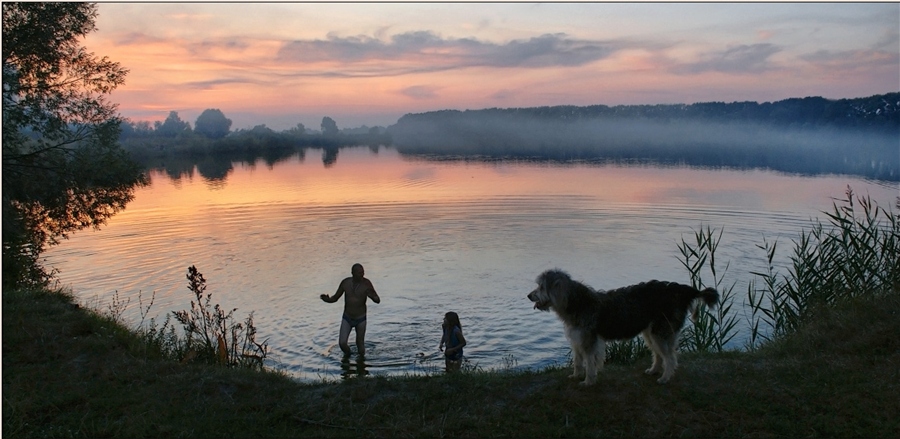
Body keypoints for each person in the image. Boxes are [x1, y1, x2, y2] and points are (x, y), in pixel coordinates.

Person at [320, 263, 380, 357]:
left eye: (363, 272)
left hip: (361, 319)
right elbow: (335, 298)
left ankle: (361, 364)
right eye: (359, 273)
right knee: (342, 343)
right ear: (352, 273)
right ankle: (348, 356)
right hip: (347, 317)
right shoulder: (345, 283)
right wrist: (327, 300)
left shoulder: (367, 283)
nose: (362, 274)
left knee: (360, 344)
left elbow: (377, 300)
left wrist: (373, 296)